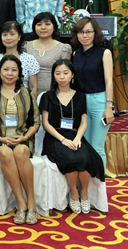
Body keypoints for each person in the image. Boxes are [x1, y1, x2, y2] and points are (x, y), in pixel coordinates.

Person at [39, 59, 105, 214]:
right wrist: (63, 139)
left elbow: (83, 123)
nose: (62, 77)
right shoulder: (47, 96)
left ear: (72, 75)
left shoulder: (80, 96)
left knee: (87, 158)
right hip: (55, 136)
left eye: (65, 73)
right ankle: (74, 193)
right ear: (53, 76)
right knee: (70, 157)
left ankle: (85, 193)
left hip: (75, 135)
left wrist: (76, 139)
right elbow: (46, 124)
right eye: (58, 73)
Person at [0, 55, 40, 225]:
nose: (10, 73)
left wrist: (25, 137)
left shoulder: (27, 93)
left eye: (14, 70)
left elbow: (35, 121)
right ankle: (21, 203)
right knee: (6, 153)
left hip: (22, 136)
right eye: (6, 69)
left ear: (19, 73)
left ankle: (31, 202)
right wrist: (0, 138)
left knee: (21, 151)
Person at [71, 18, 115, 168]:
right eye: (81, 32)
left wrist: (109, 106)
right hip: (82, 103)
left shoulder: (104, 53)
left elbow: (109, 81)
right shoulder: (76, 54)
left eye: (88, 32)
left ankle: (99, 188)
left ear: (95, 33)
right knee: (86, 146)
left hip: (100, 101)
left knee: (97, 147)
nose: (85, 35)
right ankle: (87, 186)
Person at [23, 12, 72, 96]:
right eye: (39, 24)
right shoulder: (25, 46)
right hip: (28, 94)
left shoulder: (63, 48)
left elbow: (65, 74)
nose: (43, 27)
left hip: (54, 95)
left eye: (47, 24)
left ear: (54, 27)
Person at [0, 21, 39, 97]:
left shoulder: (29, 59)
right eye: (5, 35)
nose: (8, 38)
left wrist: (31, 106)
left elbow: (33, 87)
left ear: (19, 36)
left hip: (23, 101)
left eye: (12, 34)